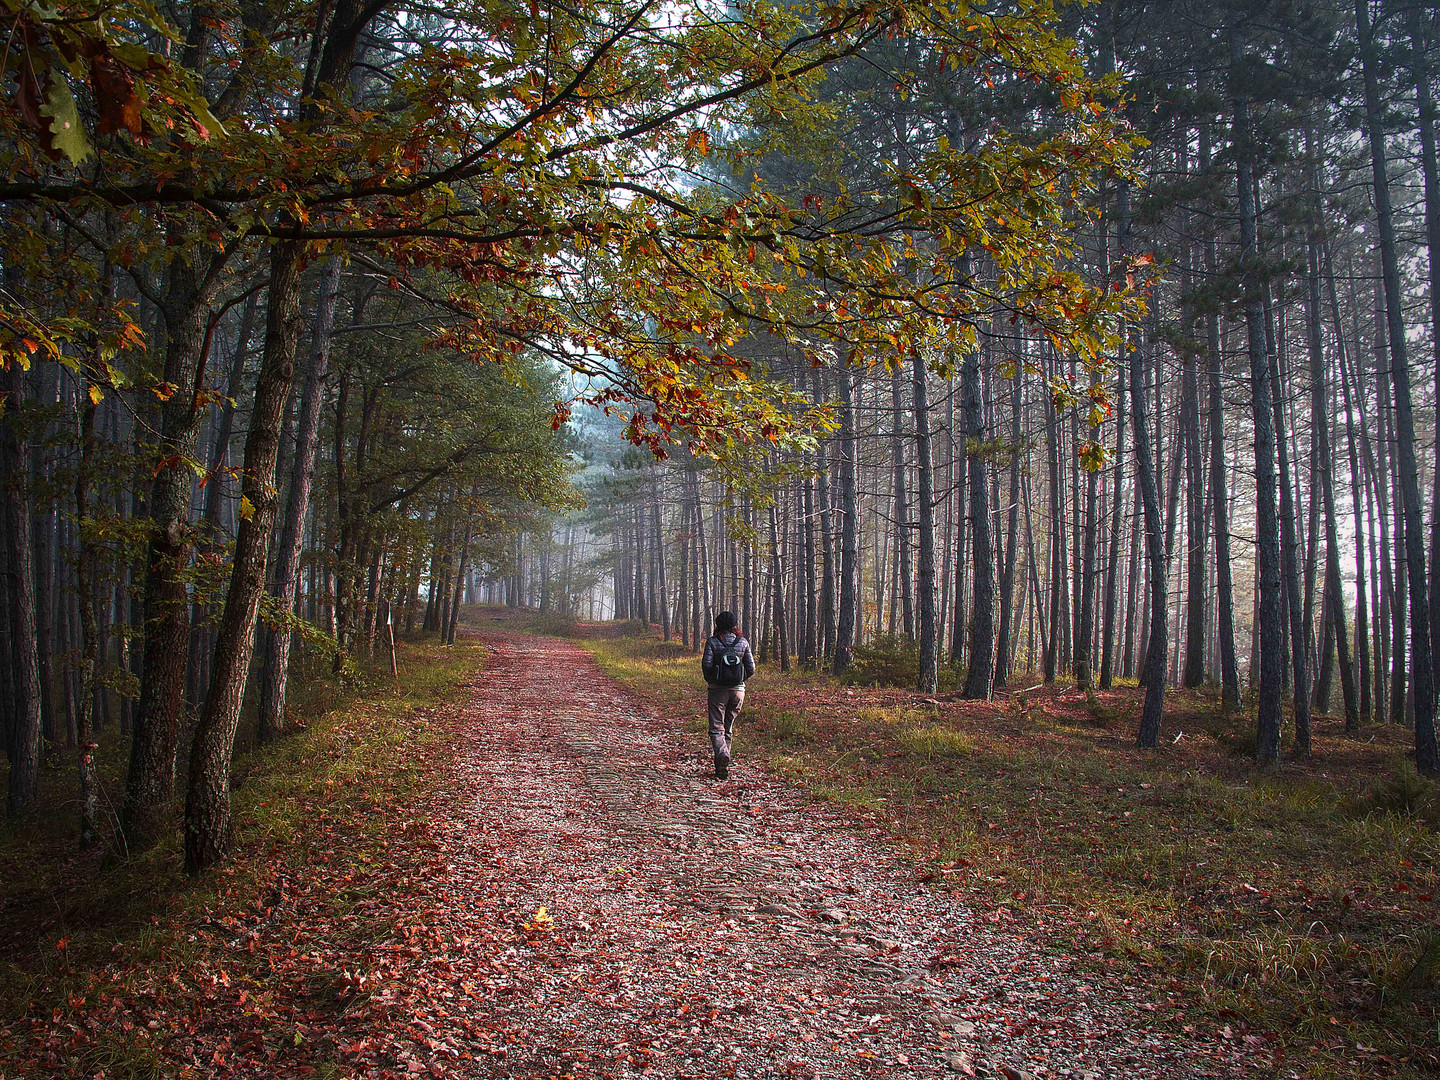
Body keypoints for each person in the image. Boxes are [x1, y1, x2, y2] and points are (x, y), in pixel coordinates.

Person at [700, 611, 755, 780]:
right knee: (728, 726)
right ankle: (722, 764)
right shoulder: (743, 642)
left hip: (717, 690)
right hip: (738, 691)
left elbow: (706, 665)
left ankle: (722, 755)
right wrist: (739, 681)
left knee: (716, 727)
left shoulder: (712, 642)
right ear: (734, 625)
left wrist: (713, 680)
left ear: (717, 625)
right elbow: (751, 668)